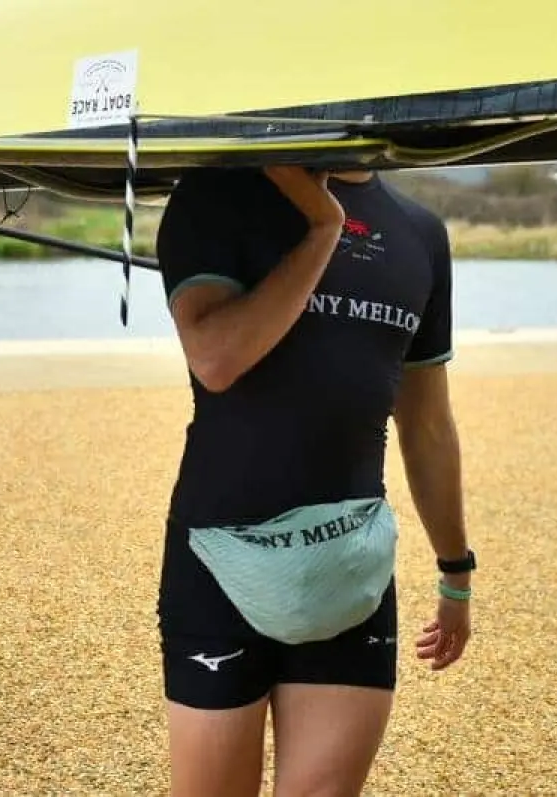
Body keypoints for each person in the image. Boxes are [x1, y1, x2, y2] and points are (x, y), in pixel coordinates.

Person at [153, 164, 476, 796]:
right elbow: (216, 358)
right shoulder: (216, 192)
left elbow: (428, 426)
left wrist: (455, 573)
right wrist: (323, 228)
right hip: (220, 560)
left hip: (350, 565)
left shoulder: (419, 232)